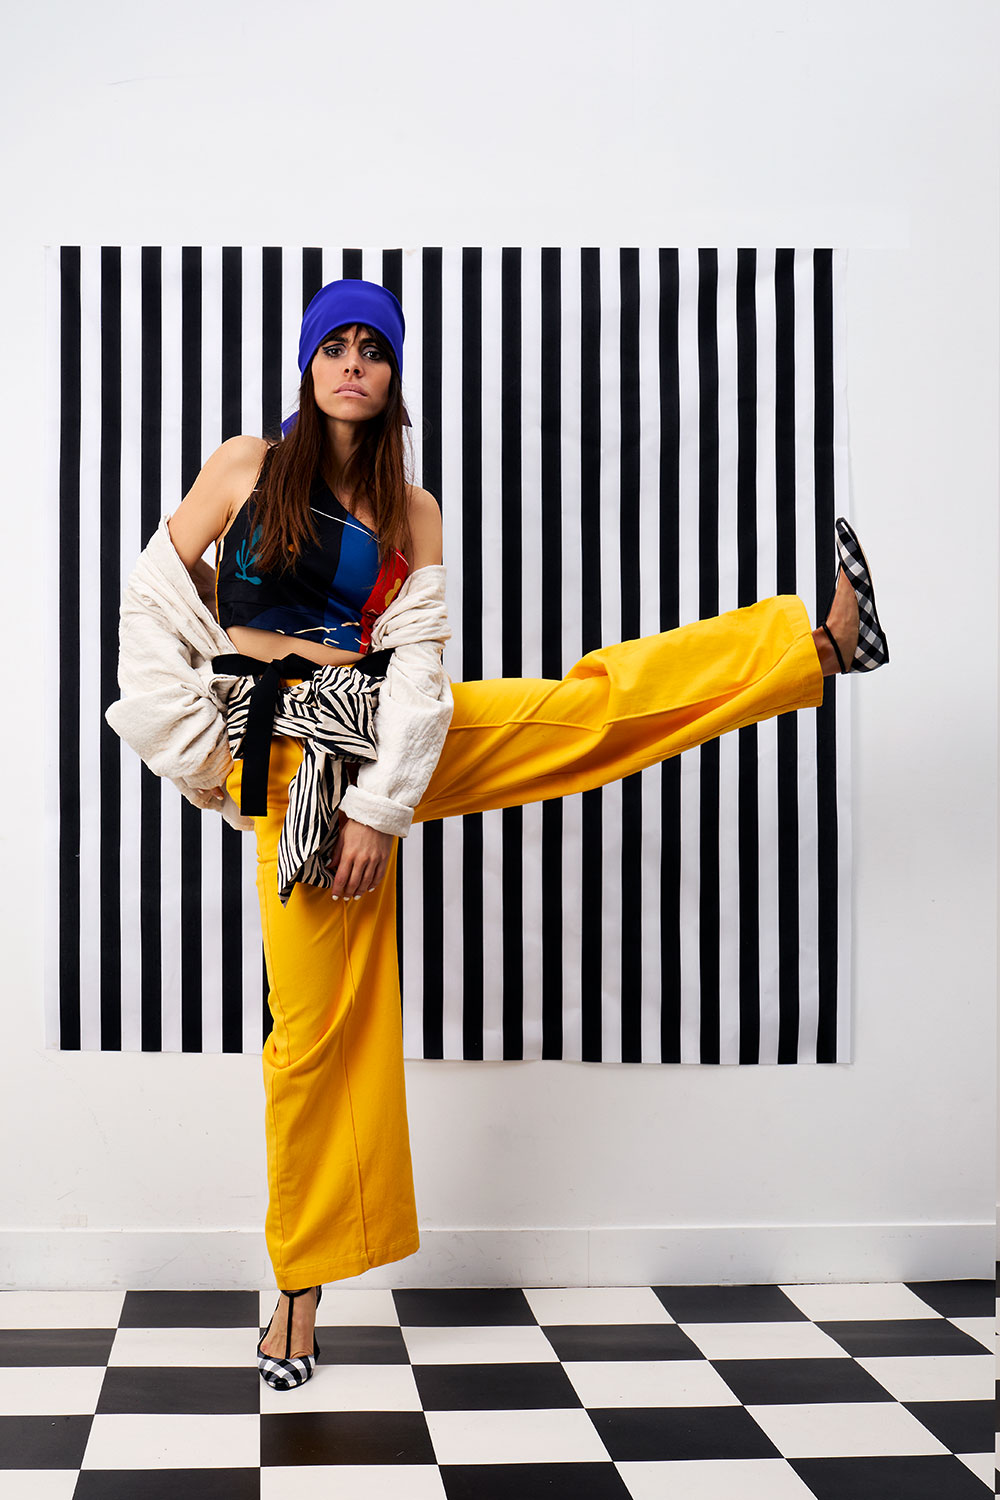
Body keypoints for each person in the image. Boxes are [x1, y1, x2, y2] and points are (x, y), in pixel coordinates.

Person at [107, 277, 888, 1392]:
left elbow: (419, 664)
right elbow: (151, 603)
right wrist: (199, 746)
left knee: (579, 713)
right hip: (280, 763)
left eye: (375, 348)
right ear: (310, 363)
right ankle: (299, 1289)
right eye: (336, 345)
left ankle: (815, 648)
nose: (354, 364)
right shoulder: (244, 467)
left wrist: (382, 806)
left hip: (380, 739)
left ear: (393, 376)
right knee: (310, 1038)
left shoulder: (412, 511)